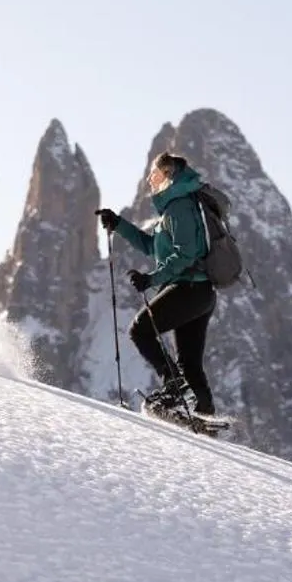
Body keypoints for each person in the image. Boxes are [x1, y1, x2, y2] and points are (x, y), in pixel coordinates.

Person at [95, 152, 219, 427]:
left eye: (155, 174)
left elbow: (185, 254)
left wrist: (151, 279)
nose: (150, 179)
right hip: (198, 294)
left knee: (140, 330)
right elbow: (154, 248)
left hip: (189, 289)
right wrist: (119, 225)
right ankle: (204, 415)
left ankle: (174, 388)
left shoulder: (179, 207)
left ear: (169, 174)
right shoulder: (175, 209)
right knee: (189, 362)